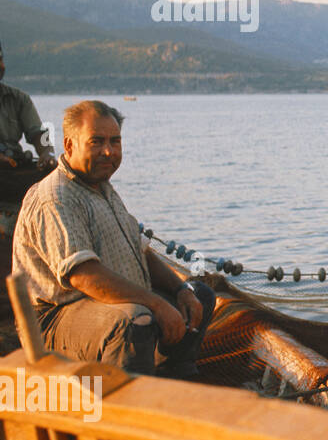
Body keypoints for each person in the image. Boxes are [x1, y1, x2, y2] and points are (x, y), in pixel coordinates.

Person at [13, 101, 215, 376]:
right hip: (56, 318)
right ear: (70, 146)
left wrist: (181, 291)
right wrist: (155, 304)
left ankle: (174, 374)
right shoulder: (56, 197)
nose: (108, 151)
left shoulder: (103, 189)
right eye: (97, 142)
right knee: (134, 321)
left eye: (115, 141)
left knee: (199, 296)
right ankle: (128, 401)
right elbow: (84, 277)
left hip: (110, 302)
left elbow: (141, 251)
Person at [0, 43, 56, 168]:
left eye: (0, 59)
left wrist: (48, 153)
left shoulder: (19, 99)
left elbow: (38, 134)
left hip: (12, 166)